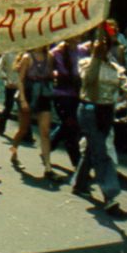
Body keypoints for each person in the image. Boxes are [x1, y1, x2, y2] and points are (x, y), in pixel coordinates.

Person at [72, 27, 127, 213]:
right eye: (99, 45)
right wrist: (95, 57)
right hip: (89, 111)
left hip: (106, 112)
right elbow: (88, 80)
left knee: (92, 149)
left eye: (106, 46)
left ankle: (79, 184)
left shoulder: (115, 68)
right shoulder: (86, 63)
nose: (103, 49)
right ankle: (110, 196)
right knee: (101, 151)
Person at [9, 46, 56, 178]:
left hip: (43, 96)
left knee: (45, 132)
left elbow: (50, 75)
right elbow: (21, 80)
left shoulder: (50, 57)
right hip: (29, 95)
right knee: (23, 130)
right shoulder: (27, 58)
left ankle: (48, 166)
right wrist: (23, 100)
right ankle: (13, 150)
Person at [50, 36, 83, 169]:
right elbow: (48, 70)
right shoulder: (56, 53)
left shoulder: (83, 51)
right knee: (70, 126)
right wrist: (55, 74)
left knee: (69, 125)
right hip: (62, 94)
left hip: (77, 93)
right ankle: (78, 163)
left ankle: (48, 146)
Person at [0, 50, 20, 136]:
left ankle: (27, 134)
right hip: (10, 83)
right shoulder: (7, 53)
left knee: (24, 108)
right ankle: (0, 127)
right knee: (8, 106)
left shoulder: (24, 52)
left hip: (22, 84)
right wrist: (5, 78)